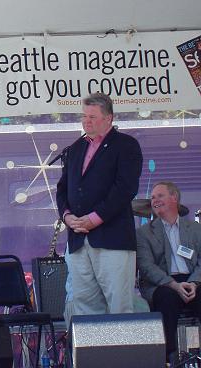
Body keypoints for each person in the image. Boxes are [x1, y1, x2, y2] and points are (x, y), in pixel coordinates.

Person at [56, 92, 143, 315]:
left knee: (119, 305)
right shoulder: (75, 149)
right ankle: (91, 351)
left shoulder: (125, 145)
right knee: (83, 305)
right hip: (78, 239)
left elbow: (125, 189)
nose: (87, 121)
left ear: (109, 118)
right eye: (84, 116)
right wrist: (67, 216)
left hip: (111, 239)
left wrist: (94, 219)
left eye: (93, 117)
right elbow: (62, 188)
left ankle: (122, 351)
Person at [137, 181, 201, 363]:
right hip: (163, 283)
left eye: (160, 196)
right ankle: (168, 357)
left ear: (174, 198)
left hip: (192, 280)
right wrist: (174, 285)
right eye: (152, 198)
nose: (154, 200)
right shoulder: (143, 233)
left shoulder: (195, 229)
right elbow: (147, 267)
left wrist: (194, 283)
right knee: (167, 299)